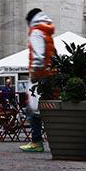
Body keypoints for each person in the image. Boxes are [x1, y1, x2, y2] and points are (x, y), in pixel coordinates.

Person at [20, 8, 55, 153]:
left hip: (40, 76)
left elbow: (39, 55)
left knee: (32, 110)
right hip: (49, 74)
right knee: (45, 109)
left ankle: (36, 141)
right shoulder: (47, 31)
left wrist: (35, 72)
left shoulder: (36, 32)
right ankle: (41, 139)